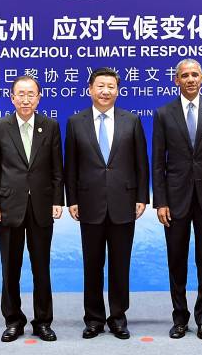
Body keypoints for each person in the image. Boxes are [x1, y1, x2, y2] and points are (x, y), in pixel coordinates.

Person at [64, 67, 149, 340]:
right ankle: (93, 319)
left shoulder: (131, 120)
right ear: (90, 89)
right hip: (88, 203)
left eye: (111, 86)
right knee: (92, 264)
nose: (105, 91)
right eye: (100, 86)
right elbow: (71, 165)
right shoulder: (75, 122)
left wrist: (142, 197)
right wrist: (71, 199)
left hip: (124, 202)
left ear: (118, 91)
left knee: (120, 265)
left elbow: (141, 163)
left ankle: (118, 318)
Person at [152, 58, 202, 340]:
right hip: (174, 200)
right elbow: (158, 163)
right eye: (184, 75)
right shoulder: (163, 113)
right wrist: (160, 201)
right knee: (176, 261)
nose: (190, 79)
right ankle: (179, 318)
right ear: (176, 80)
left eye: (194, 74)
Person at [0, 76, 63, 342]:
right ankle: (13, 320)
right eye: (21, 94)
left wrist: (57, 200)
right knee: (10, 268)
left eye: (31, 94)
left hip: (41, 205)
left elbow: (57, 168)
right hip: (8, 206)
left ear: (39, 98)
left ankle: (43, 321)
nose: (26, 99)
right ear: (12, 97)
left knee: (41, 267)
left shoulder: (50, 126)